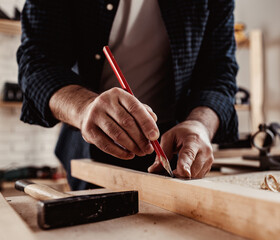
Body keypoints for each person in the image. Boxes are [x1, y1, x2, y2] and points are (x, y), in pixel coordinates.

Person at [17, 0, 239, 190]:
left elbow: (219, 74)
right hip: (90, 142)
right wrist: (84, 107)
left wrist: (201, 125)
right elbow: (36, 63)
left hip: (174, 145)